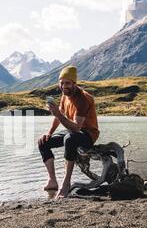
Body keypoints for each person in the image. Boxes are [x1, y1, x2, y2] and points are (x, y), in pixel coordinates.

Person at [38, 66, 100, 200]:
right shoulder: (64, 95)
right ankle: (52, 181)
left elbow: (77, 128)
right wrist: (49, 133)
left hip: (88, 134)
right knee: (43, 142)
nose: (63, 86)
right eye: (61, 82)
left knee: (69, 138)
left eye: (67, 83)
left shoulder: (83, 99)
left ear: (74, 83)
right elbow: (58, 116)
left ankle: (66, 184)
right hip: (72, 130)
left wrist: (59, 114)